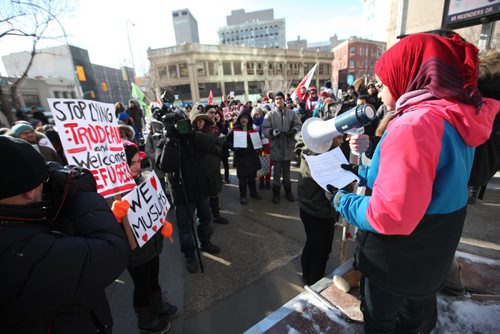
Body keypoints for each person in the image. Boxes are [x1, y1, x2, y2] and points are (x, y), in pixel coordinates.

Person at [330, 33, 499, 333]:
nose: (380, 93)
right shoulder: (456, 116)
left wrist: (343, 201)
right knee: (413, 320)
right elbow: (434, 183)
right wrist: (369, 176)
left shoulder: (413, 125)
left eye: (384, 82)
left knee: (380, 320)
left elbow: (390, 215)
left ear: (409, 75)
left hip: (395, 262)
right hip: (432, 256)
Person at [0, 136, 129, 333]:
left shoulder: (17, 230)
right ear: (29, 190)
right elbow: (111, 251)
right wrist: (81, 193)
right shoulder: (19, 250)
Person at [120, 141, 178, 334]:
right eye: (131, 163)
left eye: (138, 161)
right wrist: (115, 215)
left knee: (153, 278)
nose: (137, 166)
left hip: (152, 246)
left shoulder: (140, 181)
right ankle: (144, 318)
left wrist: (162, 222)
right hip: (134, 252)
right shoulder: (112, 194)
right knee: (142, 285)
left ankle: (157, 304)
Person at [295, 118, 342, 286]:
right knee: (321, 251)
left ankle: (307, 277)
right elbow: (341, 187)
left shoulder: (308, 149)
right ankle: (316, 283)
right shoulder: (325, 158)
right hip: (320, 211)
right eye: (338, 137)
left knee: (311, 244)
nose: (341, 140)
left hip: (306, 207)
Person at [262, 91, 302, 204]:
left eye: (280, 98)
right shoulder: (269, 115)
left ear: (284, 99)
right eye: (276, 99)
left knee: (287, 172)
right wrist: (272, 132)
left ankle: (288, 191)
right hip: (276, 147)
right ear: (274, 101)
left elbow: (299, 125)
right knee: (276, 173)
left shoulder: (292, 113)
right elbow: (264, 129)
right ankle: (276, 192)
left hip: (288, 147)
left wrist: (293, 131)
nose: (278, 101)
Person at [226, 112, 262, 204]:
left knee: (252, 178)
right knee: (242, 179)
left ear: (249, 119)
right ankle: (243, 195)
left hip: (252, 158)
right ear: (239, 120)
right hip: (240, 159)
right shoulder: (234, 130)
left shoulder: (253, 130)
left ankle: (253, 193)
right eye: (242, 118)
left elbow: (258, 143)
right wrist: (234, 148)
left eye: (246, 118)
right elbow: (226, 141)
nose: (244, 120)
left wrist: (259, 145)